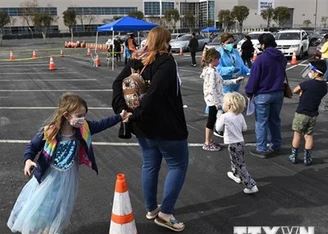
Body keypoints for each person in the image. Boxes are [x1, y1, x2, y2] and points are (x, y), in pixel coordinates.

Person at [7, 92, 129, 234]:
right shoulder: (50, 131)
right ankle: (40, 228)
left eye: (84, 115)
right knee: (43, 203)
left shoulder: (83, 129)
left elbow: (102, 124)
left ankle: (51, 229)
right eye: (79, 116)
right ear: (66, 115)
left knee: (60, 205)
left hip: (68, 175)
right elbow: (32, 146)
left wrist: (119, 117)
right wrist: (28, 160)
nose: (82, 119)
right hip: (49, 175)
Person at [112, 27, 188, 232]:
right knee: (178, 165)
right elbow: (154, 94)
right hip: (167, 126)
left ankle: (151, 208)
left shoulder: (136, 60)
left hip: (142, 127)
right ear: (165, 42)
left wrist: (123, 111)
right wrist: (134, 114)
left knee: (150, 165)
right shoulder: (166, 63)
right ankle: (166, 213)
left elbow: (117, 83)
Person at [245, 33, 287, 158]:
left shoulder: (261, 59)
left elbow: (254, 78)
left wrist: (249, 92)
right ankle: (276, 144)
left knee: (261, 122)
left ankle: (261, 148)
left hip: (263, 93)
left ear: (263, 44)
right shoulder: (281, 57)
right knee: (274, 120)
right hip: (278, 92)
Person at [200, 48, 244, 151]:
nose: (219, 61)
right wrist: (216, 103)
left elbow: (221, 82)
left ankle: (210, 140)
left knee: (212, 120)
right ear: (212, 59)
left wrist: (234, 81)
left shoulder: (210, 70)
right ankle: (207, 142)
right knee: (211, 121)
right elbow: (212, 88)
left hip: (212, 99)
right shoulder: (211, 72)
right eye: (217, 59)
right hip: (213, 100)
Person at [216, 92, 258, 194]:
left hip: (232, 143)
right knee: (236, 159)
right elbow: (244, 128)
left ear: (229, 106)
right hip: (240, 142)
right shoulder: (240, 116)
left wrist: (219, 118)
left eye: (224, 103)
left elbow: (218, 128)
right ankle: (235, 174)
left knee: (240, 164)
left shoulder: (225, 116)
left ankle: (251, 185)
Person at [289, 60, 328, 165]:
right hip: (313, 114)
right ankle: (307, 158)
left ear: (316, 73)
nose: (310, 72)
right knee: (308, 135)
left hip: (301, 113)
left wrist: (300, 93)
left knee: (297, 135)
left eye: (311, 71)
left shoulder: (307, 84)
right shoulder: (324, 86)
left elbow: (295, 90)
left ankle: (294, 156)